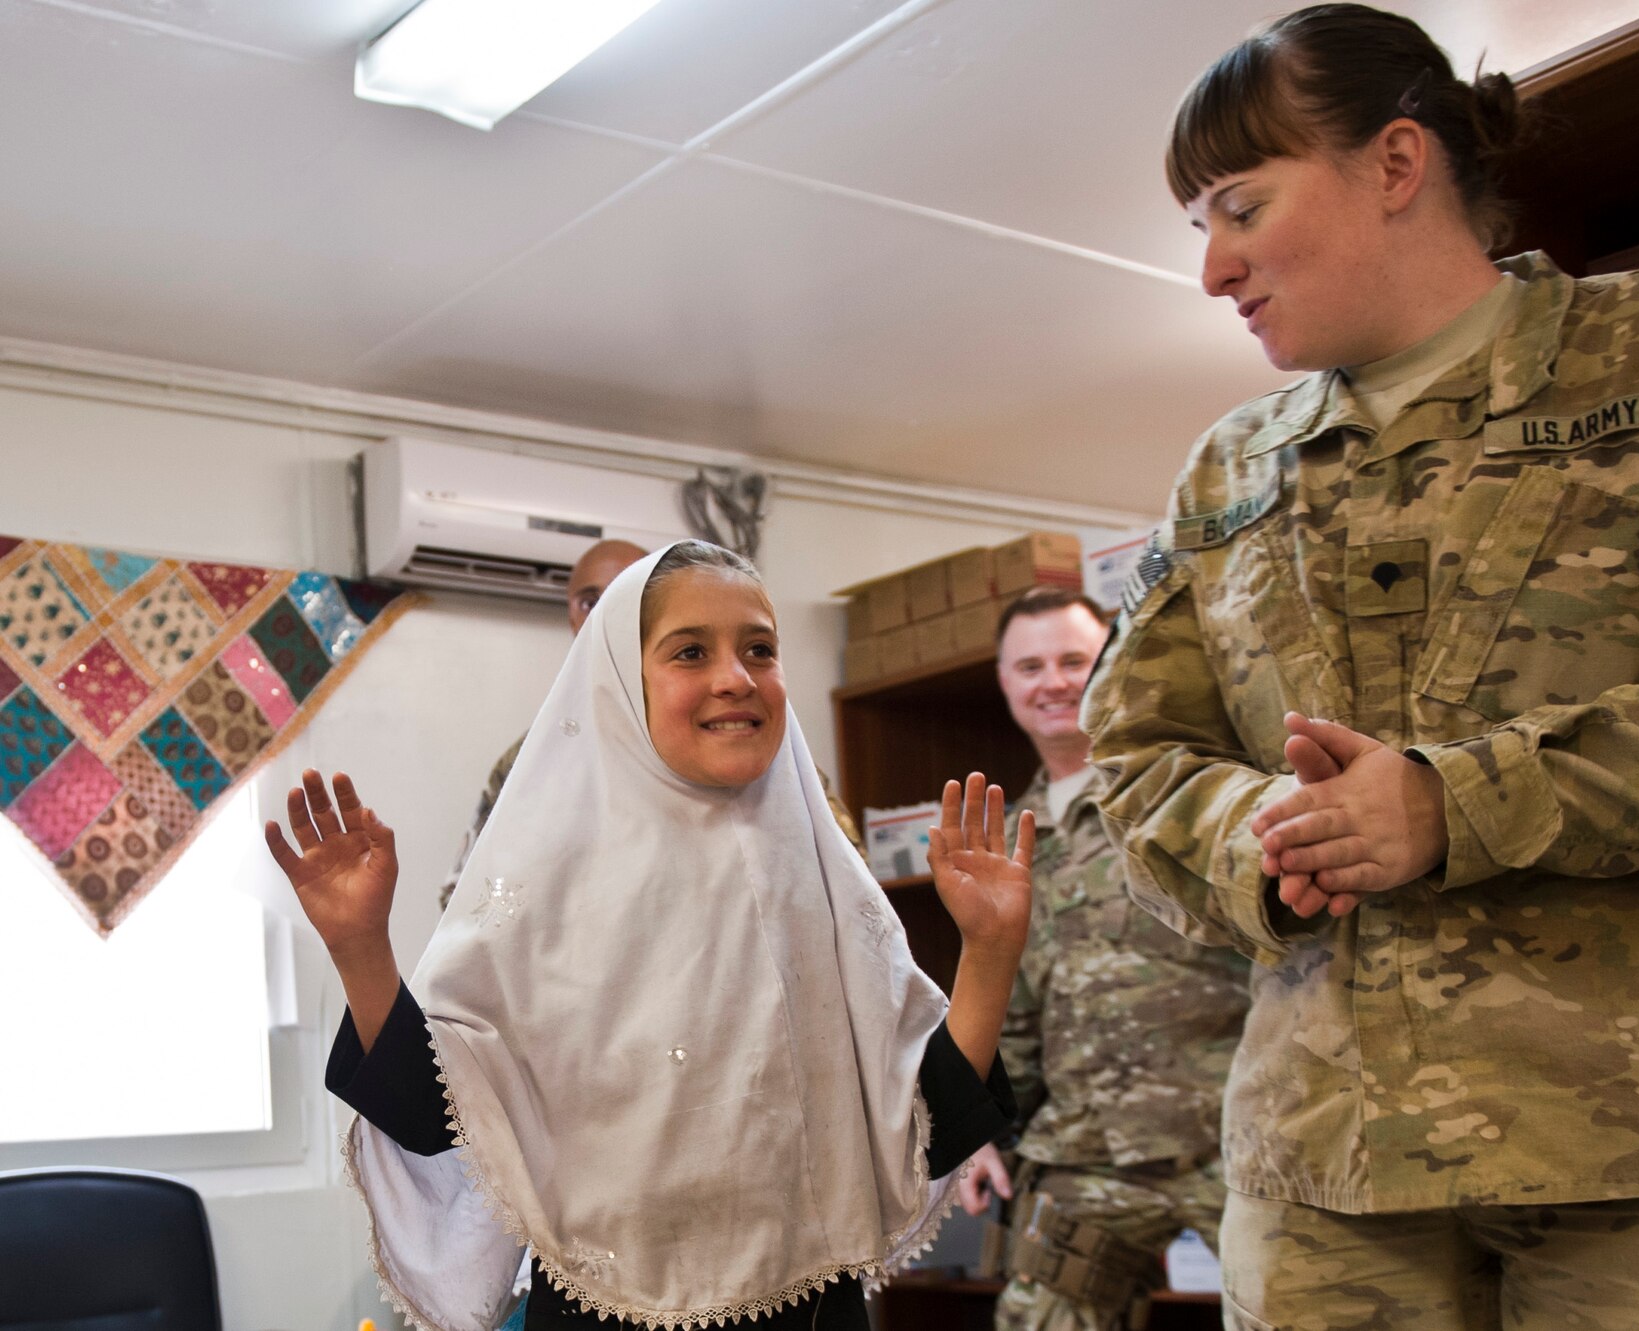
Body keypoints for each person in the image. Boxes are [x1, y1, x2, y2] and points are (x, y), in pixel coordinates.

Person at [1080, 6, 1639, 1329]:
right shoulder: (1226, 469)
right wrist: (1266, 831)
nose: (1214, 269)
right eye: (1202, 225)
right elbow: (1136, 754)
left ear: (1395, 163)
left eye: (1241, 207)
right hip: (1330, 1172)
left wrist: (1456, 799)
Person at [268, 541, 1034, 1330]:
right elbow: (443, 1120)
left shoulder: (821, 871)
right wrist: (360, 946)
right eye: (691, 651)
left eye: (760, 649)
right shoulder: (543, 873)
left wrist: (990, 951)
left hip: (810, 1308)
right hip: (609, 1309)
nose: (735, 676)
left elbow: (926, 1126)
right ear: (621, 682)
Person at [955, 586, 1249, 1330]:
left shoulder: (1180, 793)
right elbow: (1013, 1005)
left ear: (1111, 664)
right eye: (1030, 665)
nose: (1052, 681)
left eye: (1073, 660)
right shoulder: (1010, 833)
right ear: (1005, 681)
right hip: (1087, 1151)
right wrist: (978, 1129)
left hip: (1232, 1137)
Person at [441, 539, 860, 910]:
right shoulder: (535, 763)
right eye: (591, 602)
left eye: (760, 649)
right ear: (572, 615)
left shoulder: (785, 767)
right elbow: (474, 907)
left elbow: (856, 894)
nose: (735, 679)